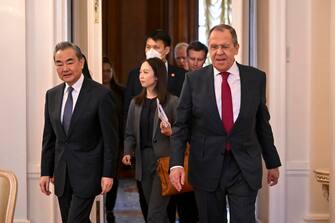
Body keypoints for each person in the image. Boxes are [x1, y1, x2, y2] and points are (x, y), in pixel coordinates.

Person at [169, 24, 281, 223]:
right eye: (213, 47)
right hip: (206, 166)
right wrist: (176, 163)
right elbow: (181, 126)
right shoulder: (194, 80)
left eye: (225, 46)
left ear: (236, 48)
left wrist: (272, 162)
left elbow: (262, 123)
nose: (219, 52)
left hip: (243, 166)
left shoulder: (255, 78)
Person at [39, 41, 119, 223]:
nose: (64, 68)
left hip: (88, 174)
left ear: (81, 62)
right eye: (59, 63)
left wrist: (108, 174)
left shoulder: (101, 95)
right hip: (61, 174)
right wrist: (45, 171)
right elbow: (49, 138)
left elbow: (110, 141)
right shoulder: (51, 95)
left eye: (70, 62)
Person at [124, 29, 186, 222]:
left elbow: (184, 131)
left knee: (155, 213)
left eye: (145, 72)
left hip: (165, 162)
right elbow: (129, 132)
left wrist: (171, 131)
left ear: (157, 76)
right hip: (143, 162)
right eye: (140, 72)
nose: (140, 76)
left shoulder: (173, 102)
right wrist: (128, 151)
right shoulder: (136, 103)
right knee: (153, 210)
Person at [102, 57, 125, 223]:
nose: (105, 74)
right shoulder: (92, 91)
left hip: (116, 140)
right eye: (102, 71)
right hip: (97, 141)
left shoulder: (121, 92)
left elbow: (124, 118)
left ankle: (109, 209)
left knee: (113, 177)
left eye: (108, 71)